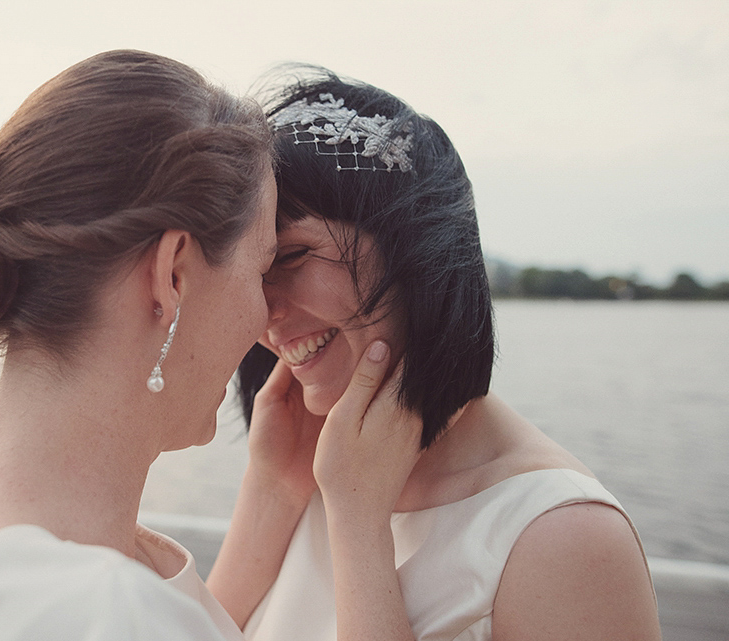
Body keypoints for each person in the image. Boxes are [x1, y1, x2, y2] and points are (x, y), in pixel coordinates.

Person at [207, 69, 662, 641]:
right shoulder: (310, 472)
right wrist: (272, 488)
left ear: (412, 251)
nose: (262, 311)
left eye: (293, 256)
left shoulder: (565, 539)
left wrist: (359, 526)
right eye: (253, 270)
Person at [0, 50, 278, 641]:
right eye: (264, 271)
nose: (269, 319)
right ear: (173, 274)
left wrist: (277, 489)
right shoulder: (99, 608)